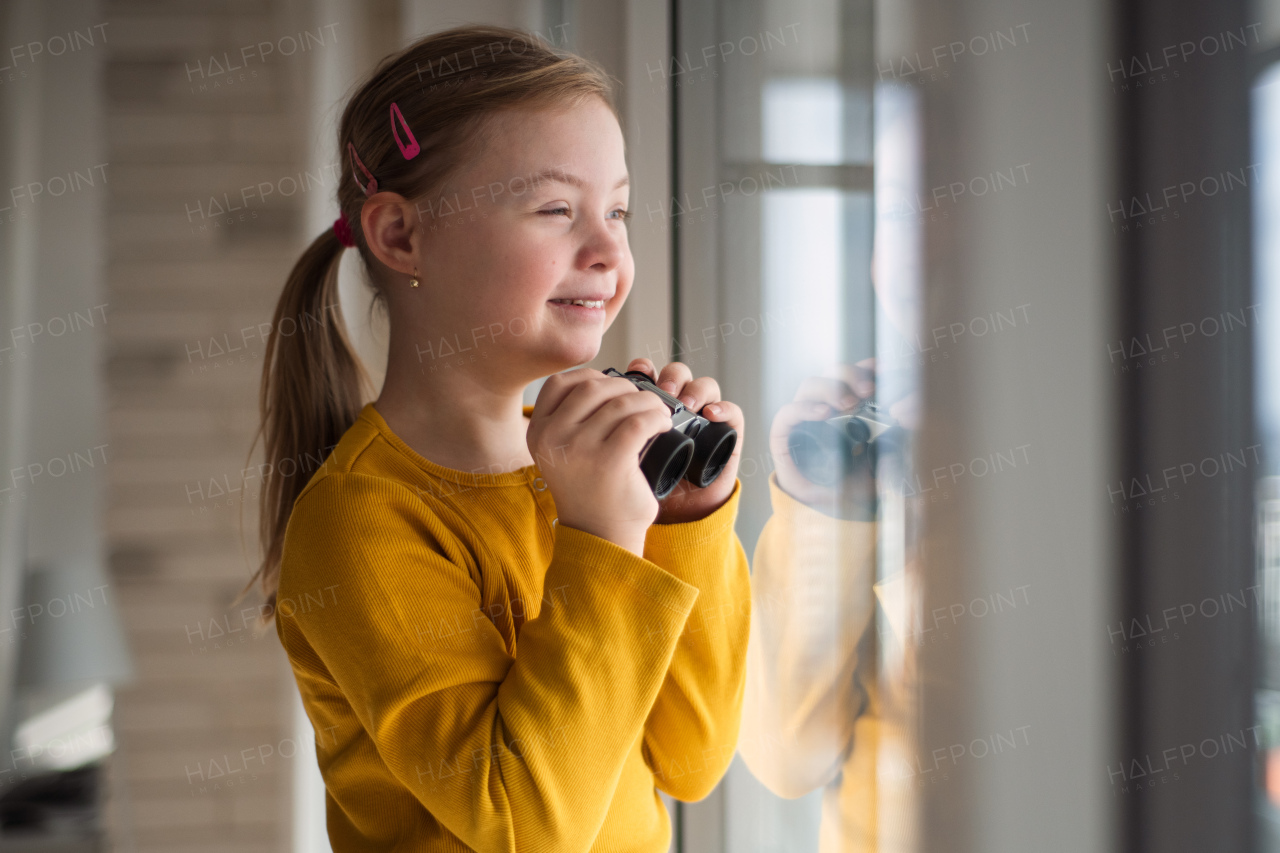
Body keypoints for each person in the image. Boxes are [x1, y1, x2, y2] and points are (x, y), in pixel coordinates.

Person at [243, 25, 750, 852]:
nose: (608, 250)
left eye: (616, 209)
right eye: (556, 210)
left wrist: (687, 525)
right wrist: (604, 540)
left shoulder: (582, 473)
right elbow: (527, 828)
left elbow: (691, 759)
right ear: (401, 235)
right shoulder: (362, 522)